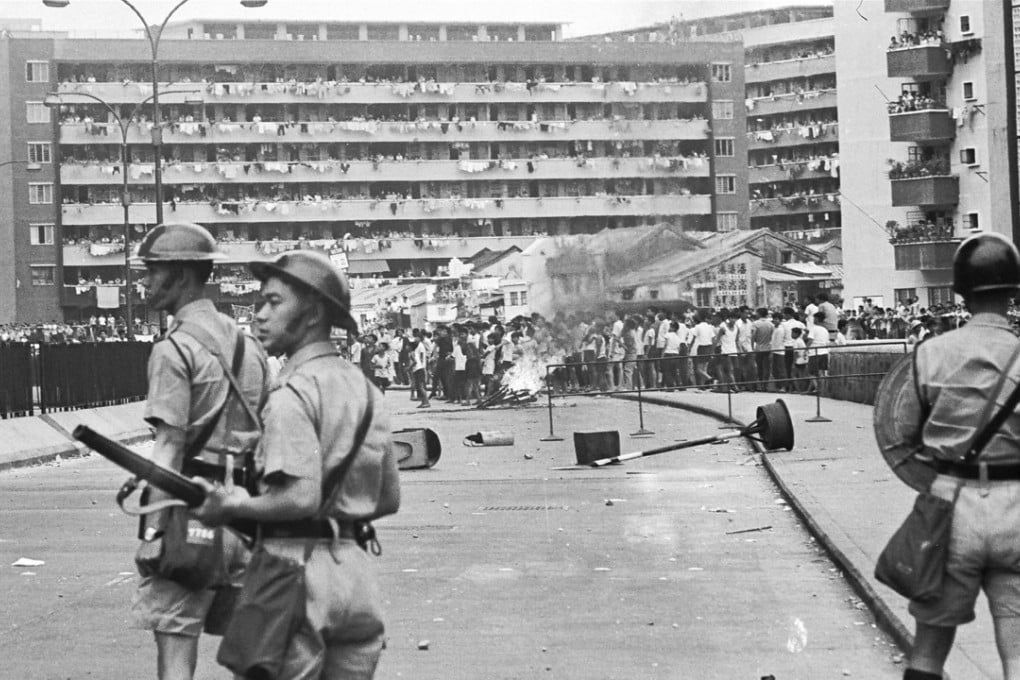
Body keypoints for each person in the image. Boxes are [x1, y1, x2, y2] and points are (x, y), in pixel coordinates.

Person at [193, 249, 400, 679]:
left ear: (312, 313)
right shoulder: (366, 391)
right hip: (356, 575)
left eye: (273, 302)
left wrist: (229, 505)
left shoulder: (292, 394)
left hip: (293, 575)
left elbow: (299, 498)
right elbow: (388, 498)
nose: (259, 315)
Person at [131, 223, 270, 680]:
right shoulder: (251, 346)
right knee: (251, 656)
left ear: (183, 274)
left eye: (152, 271)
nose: (145, 282)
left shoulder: (174, 349)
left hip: (191, 510)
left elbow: (169, 445)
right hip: (247, 514)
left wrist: (153, 533)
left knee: (176, 652)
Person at [892, 233, 1020, 680]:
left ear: (960, 294)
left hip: (951, 507)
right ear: (1013, 291)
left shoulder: (932, 353)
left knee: (927, 652)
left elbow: (902, 433)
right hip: (1019, 505)